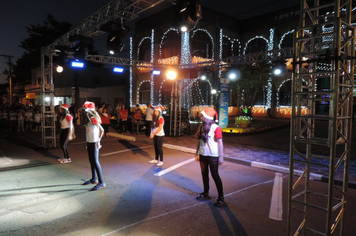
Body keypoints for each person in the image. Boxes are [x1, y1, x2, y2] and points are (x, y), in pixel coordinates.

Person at [195, 108, 225, 206]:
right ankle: (205, 193)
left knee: (215, 175)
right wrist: (196, 153)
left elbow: (220, 142)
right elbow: (199, 141)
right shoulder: (201, 127)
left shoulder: (216, 127)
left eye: (203, 115)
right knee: (204, 174)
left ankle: (221, 197)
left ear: (207, 117)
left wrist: (221, 156)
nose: (201, 117)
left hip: (213, 155)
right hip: (202, 154)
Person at [82, 101, 106, 191]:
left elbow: (101, 130)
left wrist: (98, 142)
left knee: (95, 161)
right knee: (91, 160)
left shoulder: (93, 118)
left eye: (85, 107)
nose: (84, 109)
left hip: (94, 142)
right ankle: (93, 179)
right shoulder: (89, 118)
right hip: (90, 142)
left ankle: (101, 182)